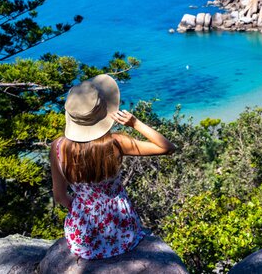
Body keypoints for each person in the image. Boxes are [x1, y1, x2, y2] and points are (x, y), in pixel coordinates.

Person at [49, 74, 175, 260]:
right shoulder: (116, 143)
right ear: (103, 112)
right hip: (122, 229)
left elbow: (59, 196)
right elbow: (166, 147)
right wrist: (135, 123)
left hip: (84, 236)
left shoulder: (58, 148)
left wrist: (81, 210)